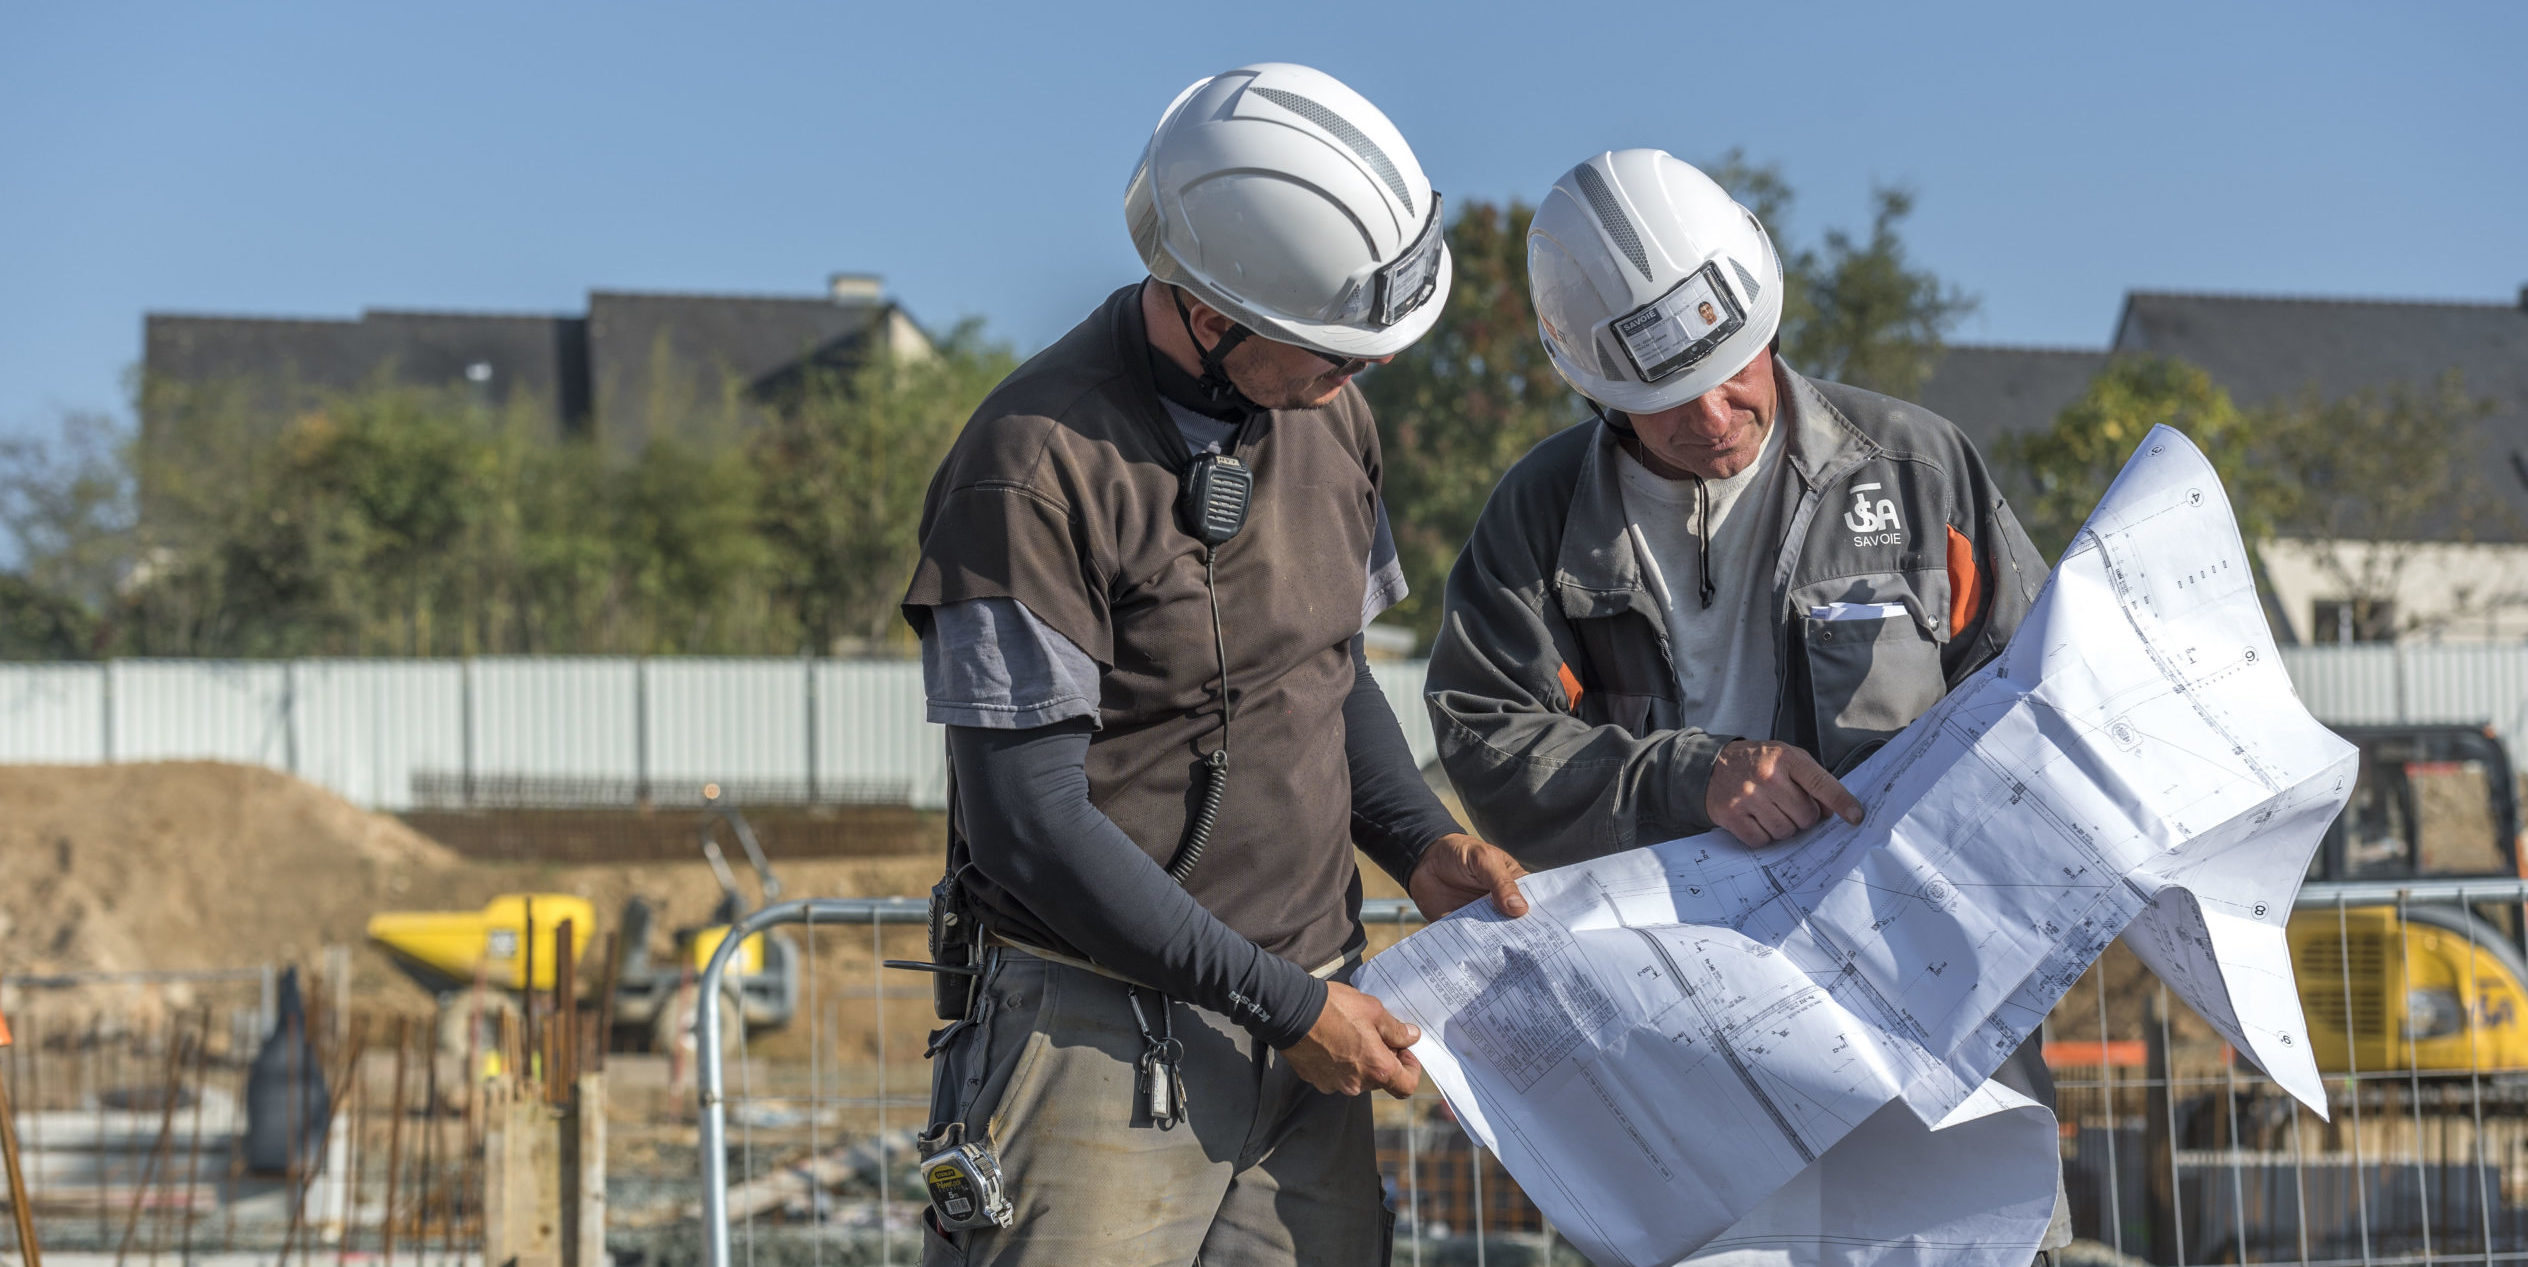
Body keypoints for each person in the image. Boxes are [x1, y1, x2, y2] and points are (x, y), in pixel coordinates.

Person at [900, 63, 1527, 1266]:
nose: (1360, 376)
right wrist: (1287, 1007)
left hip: (1306, 1032)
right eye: (1329, 351)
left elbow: (1324, 675)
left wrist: (1418, 840)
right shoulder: (1029, 468)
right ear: (1207, 312)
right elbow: (1027, 823)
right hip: (1090, 1039)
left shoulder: (1325, 415)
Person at [1423, 149, 2071, 1258]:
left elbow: (2037, 694)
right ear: (1591, 384)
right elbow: (1486, 733)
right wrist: (1691, 776)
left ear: (1765, 317)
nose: (1714, 415)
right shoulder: (1540, 517)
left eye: (1736, 370)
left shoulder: (1915, 473)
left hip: (1927, 1017)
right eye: (1667, 400)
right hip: (1681, 1041)